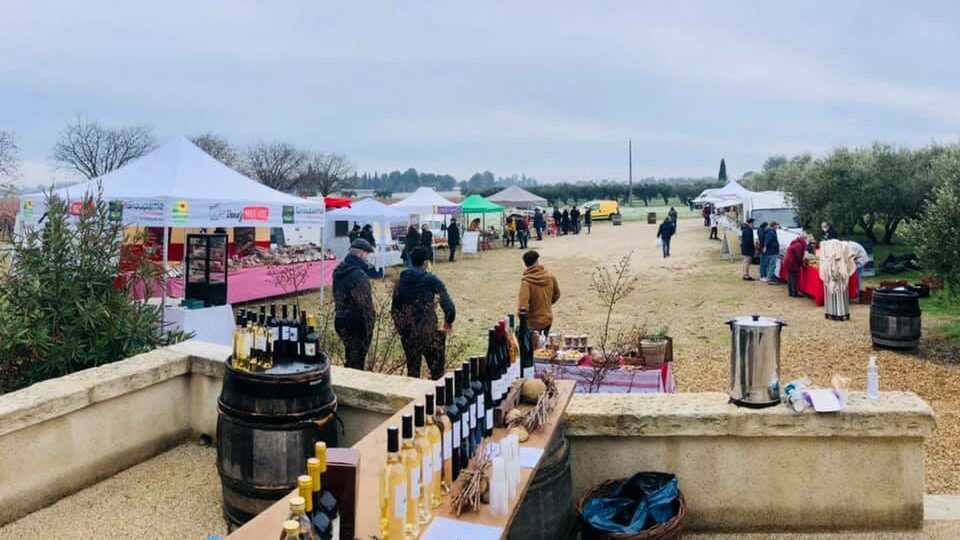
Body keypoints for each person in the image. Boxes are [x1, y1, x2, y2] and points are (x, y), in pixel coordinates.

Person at [392, 246, 456, 379]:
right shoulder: (430, 279)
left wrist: (402, 330)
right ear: (426, 262)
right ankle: (437, 397)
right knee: (437, 373)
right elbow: (448, 304)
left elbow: (394, 309)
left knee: (413, 371)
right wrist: (448, 320)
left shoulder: (400, 282)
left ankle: (414, 397)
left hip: (408, 332)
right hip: (428, 331)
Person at [332, 239, 375, 370]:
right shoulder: (358, 275)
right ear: (361, 254)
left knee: (350, 355)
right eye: (367, 254)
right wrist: (370, 324)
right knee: (357, 361)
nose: (367, 258)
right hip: (357, 322)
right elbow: (364, 304)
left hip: (340, 318)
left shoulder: (338, 270)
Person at [517, 250, 560, 334]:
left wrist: (522, 319)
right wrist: (546, 304)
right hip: (547, 319)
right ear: (537, 261)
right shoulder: (550, 276)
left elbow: (523, 307)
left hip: (532, 322)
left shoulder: (526, 283)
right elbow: (557, 294)